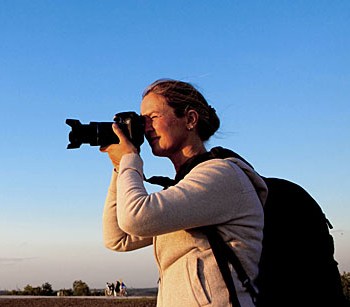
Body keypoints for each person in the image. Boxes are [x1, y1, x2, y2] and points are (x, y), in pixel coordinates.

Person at [100, 79, 267, 307]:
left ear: (190, 119)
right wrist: (120, 167)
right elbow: (118, 238)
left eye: (153, 117)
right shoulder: (186, 189)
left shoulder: (222, 175)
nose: (146, 128)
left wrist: (129, 160)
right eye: (142, 120)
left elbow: (135, 218)